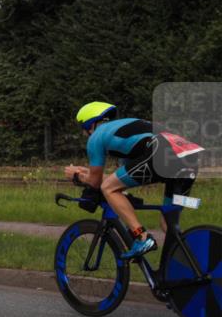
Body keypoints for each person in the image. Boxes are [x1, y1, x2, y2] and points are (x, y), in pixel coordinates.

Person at [64, 101, 201, 260]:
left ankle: (142, 238)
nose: (84, 134)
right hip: (189, 155)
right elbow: (119, 180)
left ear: (89, 125)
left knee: (108, 189)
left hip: (160, 151)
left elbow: (97, 183)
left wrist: (76, 175)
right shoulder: (125, 128)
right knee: (169, 225)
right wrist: (88, 172)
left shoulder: (96, 137)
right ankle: (195, 266)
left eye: (83, 129)